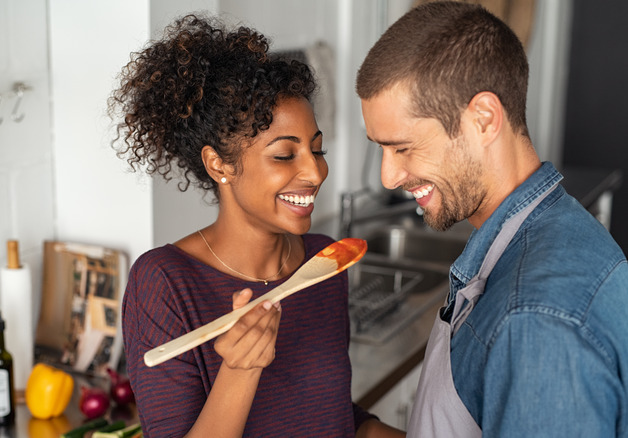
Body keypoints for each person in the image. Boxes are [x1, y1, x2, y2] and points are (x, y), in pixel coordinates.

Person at [110, 14, 401, 438]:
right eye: (285, 155)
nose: (315, 173)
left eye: (316, 150)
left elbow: (326, 413)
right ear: (220, 164)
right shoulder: (163, 283)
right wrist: (240, 370)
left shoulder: (324, 262)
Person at [356, 1, 628, 437]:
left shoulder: (535, 322)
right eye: (380, 148)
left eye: (403, 148)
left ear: (483, 119)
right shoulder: (552, 228)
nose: (389, 177)